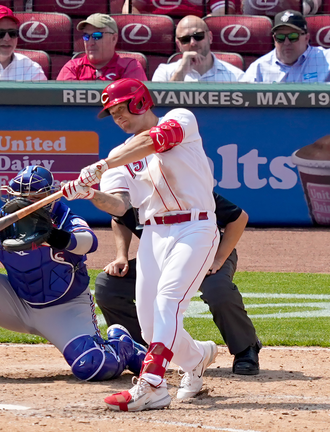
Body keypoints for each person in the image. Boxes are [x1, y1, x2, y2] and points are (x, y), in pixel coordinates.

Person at [62, 78, 220, 411]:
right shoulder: (117, 159)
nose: (118, 117)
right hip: (154, 233)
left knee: (168, 301)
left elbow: (156, 141)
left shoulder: (180, 119)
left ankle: (152, 385)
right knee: (150, 325)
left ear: (140, 102)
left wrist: (104, 165)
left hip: (196, 226)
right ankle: (197, 357)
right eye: (112, 113)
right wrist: (89, 193)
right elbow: (120, 206)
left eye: (121, 109)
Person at [0, 166, 147, 383]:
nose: (26, 202)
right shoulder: (1, 222)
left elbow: (89, 242)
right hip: (18, 302)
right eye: (20, 196)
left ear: (49, 197)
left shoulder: (64, 218)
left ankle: (123, 345)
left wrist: (54, 237)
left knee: (93, 366)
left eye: (35, 197)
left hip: (65, 309)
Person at [93, 189, 262, 375]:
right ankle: (139, 351)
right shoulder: (131, 192)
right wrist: (121, 256)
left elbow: (239, 217)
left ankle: (246, 347)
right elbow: (119, 219)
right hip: (162, 256)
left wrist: (219, 260)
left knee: (217, 289)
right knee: (108, 284)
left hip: (208, 250)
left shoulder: (187, 186)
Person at [241, 10, 330, 83]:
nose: (287, 43)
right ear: (274, 39)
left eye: (293, 37)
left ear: (306, 38)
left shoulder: (328, 59)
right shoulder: (259, 68)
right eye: (280, 38)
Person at [152, 15, 244, 83]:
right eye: (185, 39)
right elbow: (159, 105)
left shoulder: (235, 77)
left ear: (210, 37)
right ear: (178, 45)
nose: (193, 43)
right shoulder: (164, 72)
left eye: (198, 36)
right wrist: (181, 72)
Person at [56, 14, 147, 81]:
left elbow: (135, 103)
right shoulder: (72, 67)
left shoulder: (130, 66)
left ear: (114, 38)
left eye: (97, 36)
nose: (90, 43)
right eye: (86, 36)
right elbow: (61, 104)